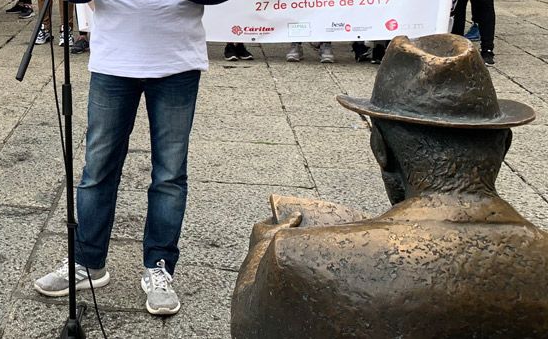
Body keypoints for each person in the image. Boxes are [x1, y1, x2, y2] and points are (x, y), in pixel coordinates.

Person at [34, 0, 243, 316]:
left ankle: (158, 268)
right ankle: (88, 262)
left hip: (175, 59)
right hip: (113, 58)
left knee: (169, 172)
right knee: (98, 165)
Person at [232, 34, 547, 338]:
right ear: (504, 144)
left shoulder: (296, 257)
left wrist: (261, 254)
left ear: (379, 147)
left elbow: (250, 325)